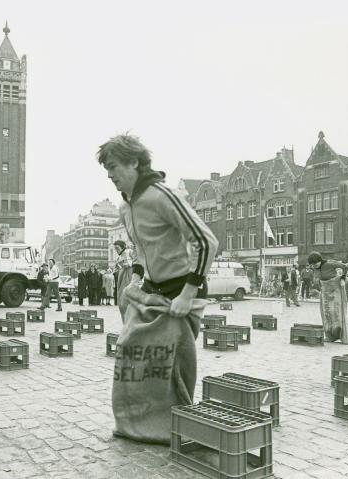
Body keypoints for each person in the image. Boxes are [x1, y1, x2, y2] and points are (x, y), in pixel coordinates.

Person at [99, 133, 218, 444]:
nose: (110, 175)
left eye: (114, 167)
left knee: (175, 361)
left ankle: (175, 423)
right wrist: (137, 277)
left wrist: (189, 292)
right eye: (107, 170)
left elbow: (207, 242)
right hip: (151, 290)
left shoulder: (161, 196)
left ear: (135, 162)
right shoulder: (126, 209)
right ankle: (141, 422)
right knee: (132, 349)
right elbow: (141, 249)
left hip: (181, 291)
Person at [308, 252, 348, 344]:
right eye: (312, 265)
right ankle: (330, 336)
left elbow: (345, 267)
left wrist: (343, 278)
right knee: (326, 314)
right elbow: (319, 279)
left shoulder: (329, 263)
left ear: (320, 260)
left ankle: (341, 334)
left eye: (315, 264)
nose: (314, 266)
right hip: (325, 291)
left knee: (336, 312)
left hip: (335, 290)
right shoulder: (315, 268)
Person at [113, 240, 135, 314]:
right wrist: (118, 267)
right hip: (122, 277)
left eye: (117, 248)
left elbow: (138, 259)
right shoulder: (119, 257)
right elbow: (118, 268)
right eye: (115, 248)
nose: (116, 250)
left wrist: (130, 264)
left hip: (130, 274)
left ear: (122, 247)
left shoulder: (129, 251)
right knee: (121, 297)